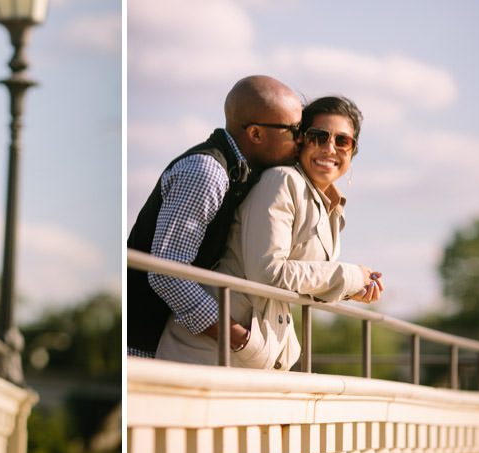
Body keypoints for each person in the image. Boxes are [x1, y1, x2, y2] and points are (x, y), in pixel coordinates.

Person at [156, 95, 384, 369]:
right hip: (211, 353)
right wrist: (349, 275)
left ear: (353, 150)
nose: (329, 148)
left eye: (342, 141)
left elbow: (302, 276)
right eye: (318, 136)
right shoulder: (282, 181)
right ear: (300, 141)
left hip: (250, 355)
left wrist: (351, 289)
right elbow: (268, 272)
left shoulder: (330, 204)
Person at [127, 75, 304, 358]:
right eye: (295, 130)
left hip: (166, 344)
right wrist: (240, 339)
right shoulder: (207, 172)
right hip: (141, 349)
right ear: (256, 134)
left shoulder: (241, 172)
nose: (302, 139)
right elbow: (167, 273)